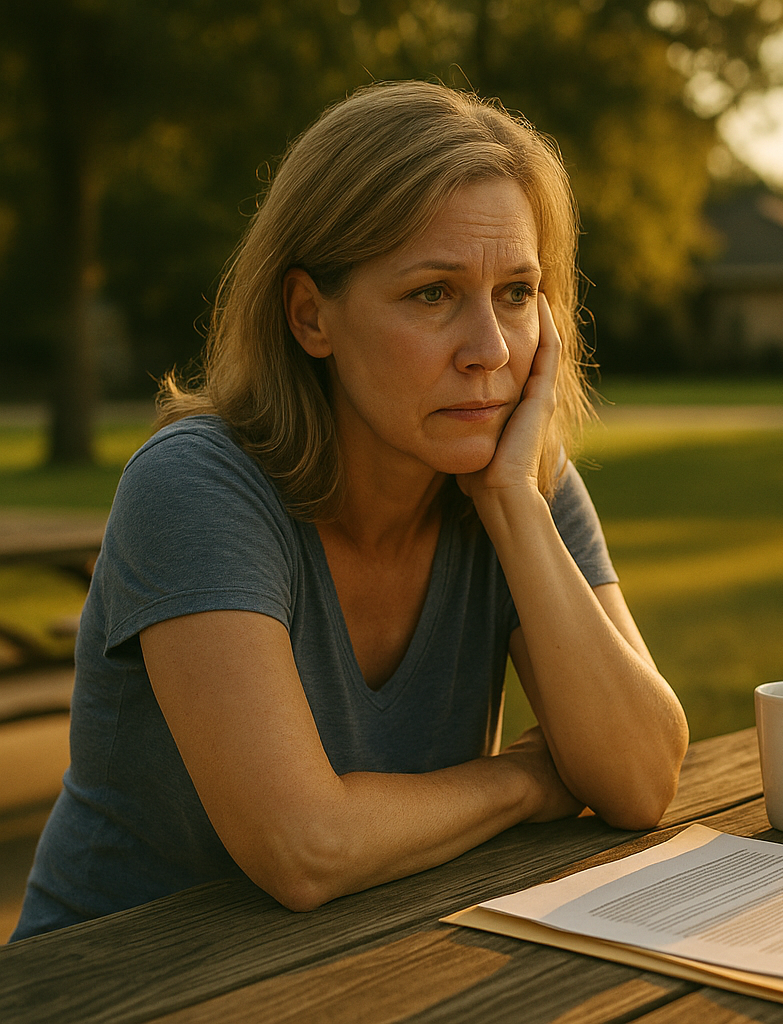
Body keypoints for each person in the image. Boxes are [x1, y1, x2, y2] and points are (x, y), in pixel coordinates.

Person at [10, 82, 690, 940]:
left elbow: (640, 779)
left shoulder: (518, 481)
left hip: (360, 964)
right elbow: (306, 848)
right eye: (433, 294)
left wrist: (513, 503)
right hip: (115, 986)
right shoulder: (197, 487)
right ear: (310, 315)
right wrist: (526, 781)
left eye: (517, 292)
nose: (488, 351)